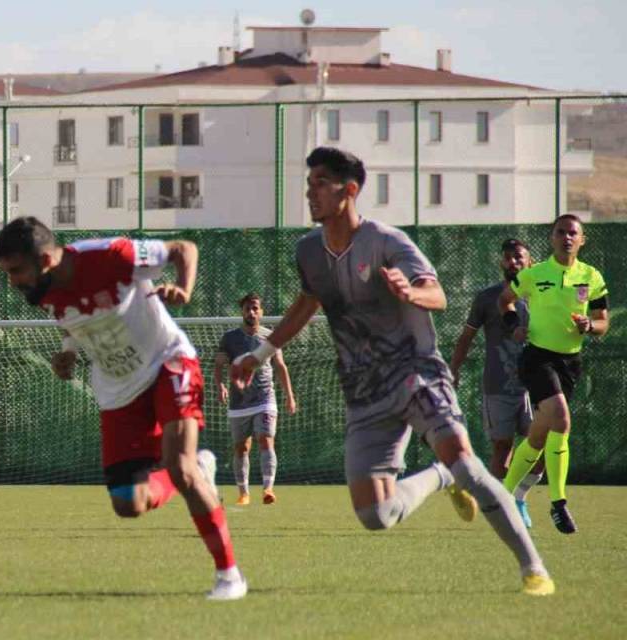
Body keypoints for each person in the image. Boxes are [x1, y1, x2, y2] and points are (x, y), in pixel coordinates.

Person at [232, 147, 553, 596]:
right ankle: (438, 478)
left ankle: (533, 567)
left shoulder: (386, 241)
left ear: (350, 190)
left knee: (462, 458)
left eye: (319, 182)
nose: (310, 191)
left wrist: (410, 292)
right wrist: (261, 352)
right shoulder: (308, 250)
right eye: (308, 183)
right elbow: (308, 301)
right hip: (364, 390)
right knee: (374, 515)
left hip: (416, 371)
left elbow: (437, 294)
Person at [0, 216, 247, 601]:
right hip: (118, 387)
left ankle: (229, 576)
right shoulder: (42, 292)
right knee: (128, 503)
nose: (12, 281)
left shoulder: (112, 254)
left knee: (179, 466)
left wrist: (184, 287)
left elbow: (183, 249)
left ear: (44, 260)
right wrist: (68, 352)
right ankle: (200, 467)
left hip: (167, 361)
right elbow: (70, 320)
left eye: (15, 270)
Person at [499, 214, 609, 534]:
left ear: (582, 240)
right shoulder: (534, 274)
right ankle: (558, 504)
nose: (566, 237)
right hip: (537, 358)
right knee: (561, 418)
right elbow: (505, 301)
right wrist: (513, 326)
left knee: (538, 436)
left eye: (573, 233)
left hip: (569, 363)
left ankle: (507, 496)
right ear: (552, 238)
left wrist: (590, 326)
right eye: (560, 232)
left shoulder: (591, 276)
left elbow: (602, 322)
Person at [447, 239, 544, 527]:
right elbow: (466, 337)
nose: (513, 262)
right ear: (501, 263)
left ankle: (519, 498)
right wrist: (453, 369)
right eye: (508, 258)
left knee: (539, 448)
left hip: (537, 385)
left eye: (519, 257)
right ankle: (497, 507)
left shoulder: (541, 294)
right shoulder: (487, 298)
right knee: (502, 449)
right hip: (499, 385)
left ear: (529, 262)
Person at [212, 293, 297, 505]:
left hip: (265, 398)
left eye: (255, 308)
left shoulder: (271, 337)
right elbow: (219, 364)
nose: (251, 312)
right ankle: (244, 493)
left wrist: (289, 396)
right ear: (242, 312)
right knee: (242, 447)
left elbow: (279, 366)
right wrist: (220, 385)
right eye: (247, 308)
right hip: (238, 401)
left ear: (261, 311)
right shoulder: (230, 338)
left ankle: (268, 489)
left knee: (266, 439)